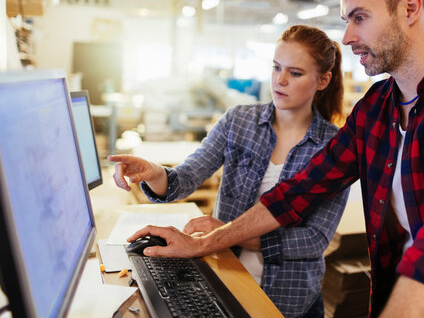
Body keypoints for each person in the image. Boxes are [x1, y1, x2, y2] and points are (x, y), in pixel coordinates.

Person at [124, 0, 424, 316]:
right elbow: (296, 193)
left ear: (410, 7)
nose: (348, 38)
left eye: (360, 17)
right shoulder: (377, 108)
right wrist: (205, 243)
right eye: (347, 21)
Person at [109, 24, 350, 318]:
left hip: (291, 300)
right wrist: (155, 172)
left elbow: (313, 241)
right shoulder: (239, 122)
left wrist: (224, 235)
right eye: (276, 67)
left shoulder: (334, 147)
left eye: (295, 73)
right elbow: (183, 180)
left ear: (323, 80)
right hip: (227, 279)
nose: (280, 80)